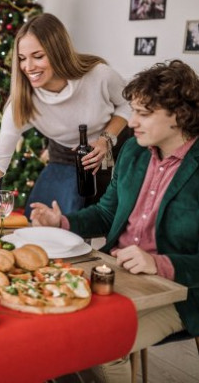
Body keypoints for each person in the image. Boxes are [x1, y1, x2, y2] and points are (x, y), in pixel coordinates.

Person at [30, 60, 199, 382]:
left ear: (179, 115)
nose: (131, 123)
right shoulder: (134, 151)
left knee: (101, 345)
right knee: (50, 328)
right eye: (133, 111)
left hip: (180, 292)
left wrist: (158, 263)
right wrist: (61, 221)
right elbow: (106, 214)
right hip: (115, 274)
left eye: (143, 113)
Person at [0, 13, 131, 219]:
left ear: (58, 52)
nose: (28, 67)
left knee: (107, 221)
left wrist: (106, 139)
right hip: (64, 153)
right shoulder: (23, 102)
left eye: (38, 56)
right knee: (52, 220)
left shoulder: (100, 76)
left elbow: (128, 104)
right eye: (22, 59)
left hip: (115, 148)